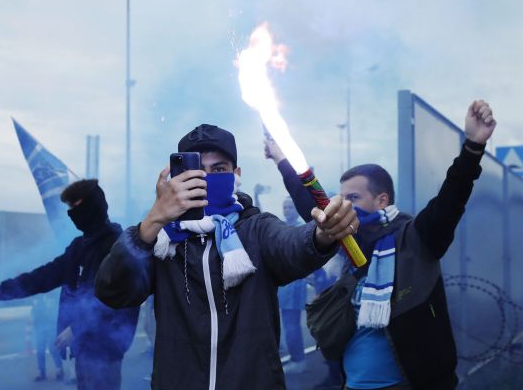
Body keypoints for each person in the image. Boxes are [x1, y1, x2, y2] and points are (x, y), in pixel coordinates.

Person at [95, 123, 358, 390]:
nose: (207, 178)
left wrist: (323, 233)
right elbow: (112, 290)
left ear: (236, 174)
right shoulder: (161, 240)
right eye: (198, 170)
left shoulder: (256, 228)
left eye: (219, 169)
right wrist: (153, 220)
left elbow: (294, 247)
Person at [267, 100, 497, 389]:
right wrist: (281, 159)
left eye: (353, 198)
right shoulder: (349, 239)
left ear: (381, 200)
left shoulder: (415, 238)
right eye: (341, 198)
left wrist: (473, 146)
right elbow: (309, 204)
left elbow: (451, 198)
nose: (342, 205)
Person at [0, 179, 140, 390]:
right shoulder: (79, 247)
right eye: (69, 208)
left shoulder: (118, 246)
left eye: (76, 207)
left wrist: (76, 329)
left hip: (105, 352)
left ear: (92, 207)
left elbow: (112, 302)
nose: (72, 215)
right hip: (83, 349)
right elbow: (44, 275)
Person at [277, 198, 307, 375]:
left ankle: (298, 360)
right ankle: (294, 357)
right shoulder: (281, 225)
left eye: (290, 207)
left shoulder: (301, 227)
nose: (287, 210)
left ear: (296, 209)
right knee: (286, 324)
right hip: (283, 285)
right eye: (284, 207)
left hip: (294, 285)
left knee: (291, 325)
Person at [31, 292, 64, 382]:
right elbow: (34, 312)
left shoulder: (52, 296)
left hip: (51, 327)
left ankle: (59, 370)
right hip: (40, 327)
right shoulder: (38, 299)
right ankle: (41, 373)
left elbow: (56, 312)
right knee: (40, 350)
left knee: (53, 348)